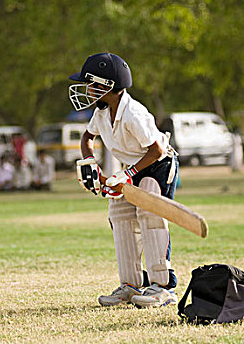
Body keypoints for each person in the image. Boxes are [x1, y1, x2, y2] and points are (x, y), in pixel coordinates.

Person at [69, 52, 180, 308]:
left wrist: (127, 174)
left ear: (106, 85)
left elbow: (156, 151)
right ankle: (130, 285)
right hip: (133, 168)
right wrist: (90, 165)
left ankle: (163, 287)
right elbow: (87, 138)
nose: (85, 89)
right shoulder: (102, 111)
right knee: (119, 214)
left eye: (90, 83)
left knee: (150, 216)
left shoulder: (133, 114)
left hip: (158, 166)